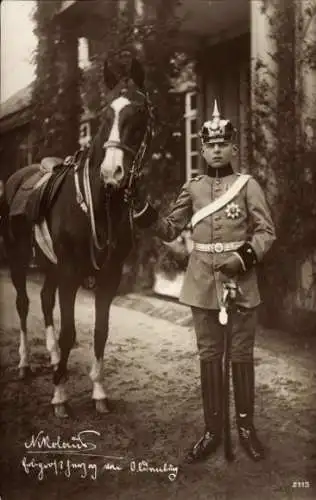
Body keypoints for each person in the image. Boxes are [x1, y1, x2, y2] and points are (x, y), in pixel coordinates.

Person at [127, 100, 276, 463]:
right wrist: (143, 211)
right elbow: (170, 228)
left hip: (240, 282)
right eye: (209, 145)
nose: (216, 150)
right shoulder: (192, 189)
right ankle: (212, 431)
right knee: (209, 356)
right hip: (200, 284)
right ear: (203, 149)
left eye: (222, 144)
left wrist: (242, 258)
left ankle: (245, 429)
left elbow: (266, 232)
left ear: (233, 147)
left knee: (240, 356)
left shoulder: (248, 185)